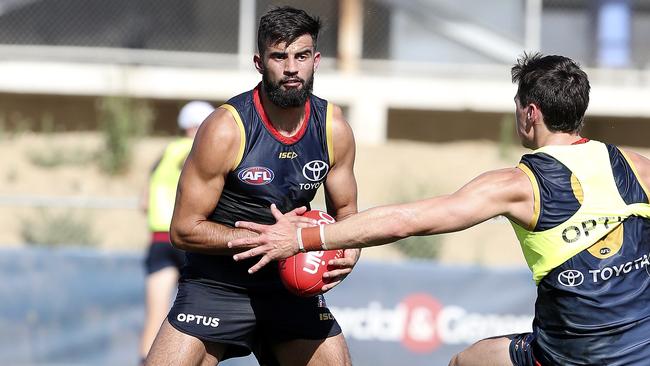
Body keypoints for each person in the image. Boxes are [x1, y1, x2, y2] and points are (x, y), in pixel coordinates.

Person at [228, 53, 650, 366]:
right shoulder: (636, 166)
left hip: (569, 355)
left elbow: (407, 220)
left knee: (462, 363)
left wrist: (303, 236)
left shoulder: (519, 184)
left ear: (530, 112)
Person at [144, 6, 360, 366]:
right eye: (280, 56)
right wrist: (265, 241)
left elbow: (348, 214)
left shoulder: (333, 128)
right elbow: (183, 230)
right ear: (260, 63)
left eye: (301, 56)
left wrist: (349, 252)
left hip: (290, 287)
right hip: (217, 285)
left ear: (316, 60)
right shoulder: (225, 128)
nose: (291, 68)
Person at [139, 100, 215, 363]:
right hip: (190, 240)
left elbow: (144, 203)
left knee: (155, 318)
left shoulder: (164, 154)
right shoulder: (201, 151)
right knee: (199, 317)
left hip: (159, 240)